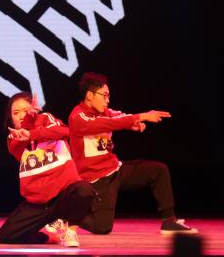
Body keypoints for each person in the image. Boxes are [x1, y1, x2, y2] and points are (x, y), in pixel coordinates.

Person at [68, 72, 197, 235]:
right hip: (97, 179)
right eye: (104, 95)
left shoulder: (105, 112)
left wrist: (133, 123)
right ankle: (64, 214)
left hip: (115, 169)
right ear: (89, 95)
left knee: (158, 170)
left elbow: (120, 117)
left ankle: (169, 221)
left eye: (109, 96)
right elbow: (106, 124)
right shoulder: (77, 117)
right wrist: (142, 116)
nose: (108, 100)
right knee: (102, 227)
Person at [0, 92, 95, 248]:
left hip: (62, 197)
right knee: (5, 236)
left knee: (84, 190)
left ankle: (70, 231)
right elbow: (17, 146)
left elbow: (65, 131)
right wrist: (28, 123)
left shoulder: (45, 119)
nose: (21, 116)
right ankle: (48, 237)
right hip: (38, 204)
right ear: (10, 118)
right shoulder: (13, 138)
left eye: (25, 110)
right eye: (16, 113)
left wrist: (32, 133)